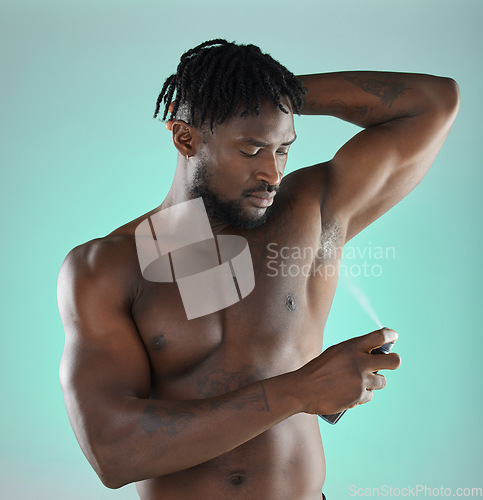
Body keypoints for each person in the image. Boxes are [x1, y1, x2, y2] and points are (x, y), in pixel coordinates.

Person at [57, 39, 459, 499]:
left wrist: (273, 94)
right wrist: (302, 390)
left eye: (283, 149)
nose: (273, 173)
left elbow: (433, 104)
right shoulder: (110, 265)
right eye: (251, 150)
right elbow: (114, 452)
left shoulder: (311, 214)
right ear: (185, 137)